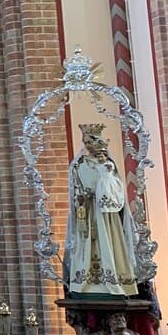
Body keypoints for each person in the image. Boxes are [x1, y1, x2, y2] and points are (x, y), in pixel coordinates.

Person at [64, 123, 138, 297]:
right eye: (85, 141)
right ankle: (85, 283)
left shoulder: (108, 165)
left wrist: (105, 183)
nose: (88, 144)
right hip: (87, 211)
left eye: (90, 140)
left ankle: (114, 280)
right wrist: (80, 199)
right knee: (87, 245)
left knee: (109, 244)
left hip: (106, 215)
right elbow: (75, 188)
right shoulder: (78, 164)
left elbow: (117, 188)